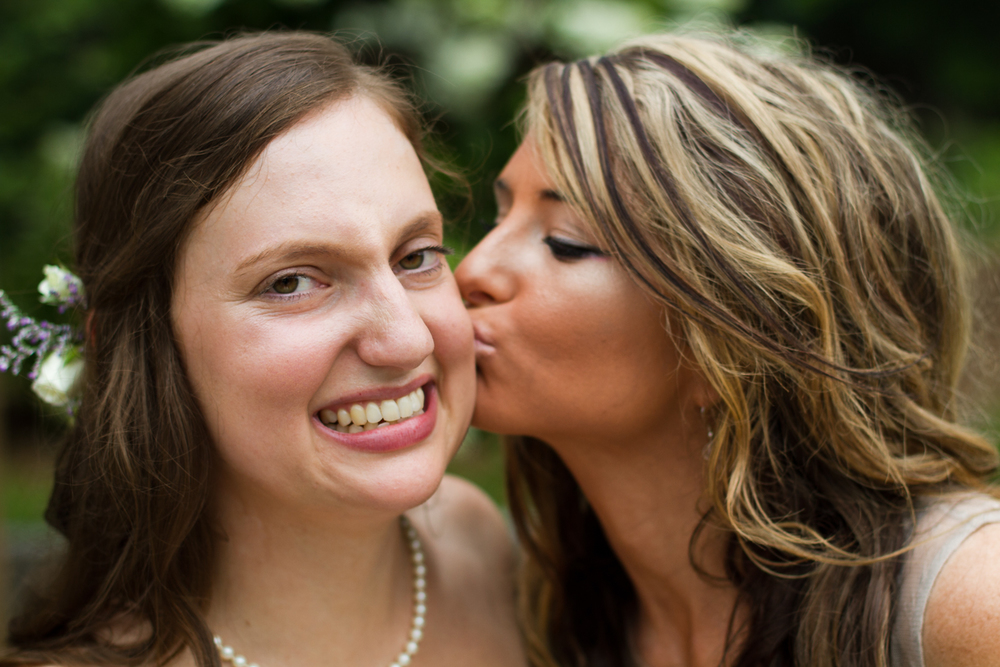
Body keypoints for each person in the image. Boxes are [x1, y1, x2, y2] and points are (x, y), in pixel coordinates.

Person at [456, 31, 1000, 667]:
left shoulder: (968, 600)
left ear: (735, 343)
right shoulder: (529, 609)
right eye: (498, 219)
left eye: (566, 241)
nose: (471, 270)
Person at [2, 32, 524, 667]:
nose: (408, 338)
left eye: (416, 257)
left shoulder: (478, 547)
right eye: (291, 283)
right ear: (129, 346)